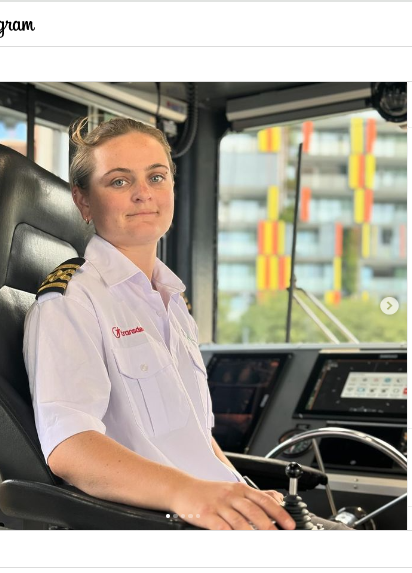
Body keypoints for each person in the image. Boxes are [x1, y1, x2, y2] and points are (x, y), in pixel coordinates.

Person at [24, 117, 347, 531]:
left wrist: (241, 489)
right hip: (169, 523)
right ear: (84, 202)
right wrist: (189, 495)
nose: (144, 194)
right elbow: (69, 447)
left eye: (156, 177)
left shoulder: (172, 301)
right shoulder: (71, 302)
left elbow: (193, 437)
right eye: (119, 182)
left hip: (222, 513)